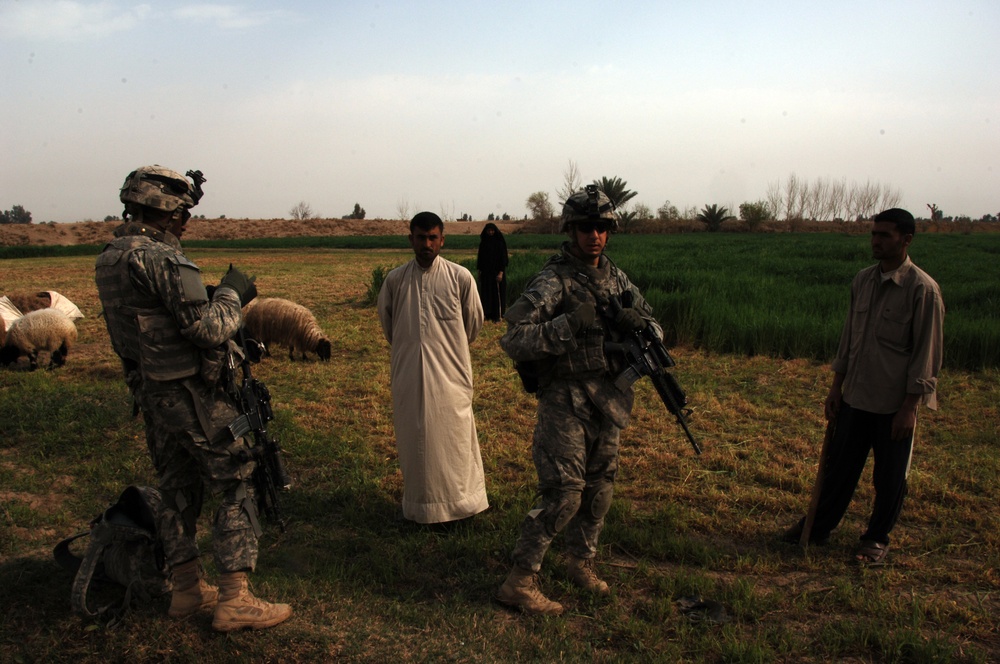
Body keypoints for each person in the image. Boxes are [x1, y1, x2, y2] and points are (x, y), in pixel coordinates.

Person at [94, 165, 292, 631]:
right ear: (161, 207)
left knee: (177, 488)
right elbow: (207, 329)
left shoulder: (109, 258)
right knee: (236, 477)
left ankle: (185, 589)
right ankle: (235, 599)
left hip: (151, 392)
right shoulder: (159, 259)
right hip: (190, 395)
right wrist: (231, 293)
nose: (186, 220)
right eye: (182, 210)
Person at [495, 186, 665, 615]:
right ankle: (520, 580)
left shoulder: (618, 278)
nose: (595, 235)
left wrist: (639, 322)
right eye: (586, 227)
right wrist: (567, 324)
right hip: (565, 400)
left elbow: (657, 331)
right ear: (571, 230)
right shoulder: (554, 280)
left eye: (602, 227)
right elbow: (513, 338)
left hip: (610, 399)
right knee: (563, 494)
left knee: (599, 489)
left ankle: (580, 562)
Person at [784, 207, 944, 565]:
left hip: (893, 405)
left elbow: (926, 356)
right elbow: (848, 341)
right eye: (874, 234)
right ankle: (818, 526)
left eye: (884, 235)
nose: (876, 241)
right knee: (839, 469)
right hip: (855, 396)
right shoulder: (862, 281)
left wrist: (910, 408)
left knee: (888, 478)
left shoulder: (923, 291)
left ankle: (876, 538)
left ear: (906, 240)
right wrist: (835, 387)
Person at [377, 211, 489, 524]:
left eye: (433, 238)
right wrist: (412, 347)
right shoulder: (396, 280)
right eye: (421, 238)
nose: (427, 244)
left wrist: (446, 349)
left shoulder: (459, 277)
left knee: (453, 439)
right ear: (410, 239)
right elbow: (389, 325)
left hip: (452, 375)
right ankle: (418, 507)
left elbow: (473, 325)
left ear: (442, 240)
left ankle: (461, 506)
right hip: (409, 374)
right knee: (415, 441)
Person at [476, 222, 509, 322]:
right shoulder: (484, 243)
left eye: (492, 230)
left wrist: (501, 273)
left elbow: (503, 259)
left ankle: (498, 315)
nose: (490, 232)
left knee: (496, 294)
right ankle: (487, 314)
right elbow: (480, 259)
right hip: (486, 273)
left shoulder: (499, 243)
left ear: (495, 231)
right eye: (489, 230)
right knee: (486, 293)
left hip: (496, 273)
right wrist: (479, 272)